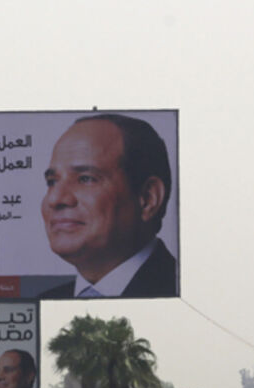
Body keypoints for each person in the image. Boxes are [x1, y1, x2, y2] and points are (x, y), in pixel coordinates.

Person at [39, 114, 176, 299]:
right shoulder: (45, 301)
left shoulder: (187, 291)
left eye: (85, 179)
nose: (54, 199)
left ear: (147, 198)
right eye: (51, 182)